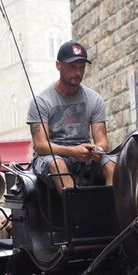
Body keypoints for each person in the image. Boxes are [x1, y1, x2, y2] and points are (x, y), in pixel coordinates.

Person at [27, 41, 115, 195]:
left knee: (112, 165)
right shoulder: (41, 101)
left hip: (84, 156)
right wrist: (73, 151)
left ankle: (110, 207)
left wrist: (97, 150)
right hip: (50, 157)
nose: (78, 72)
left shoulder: (95, 99)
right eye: (72, 67)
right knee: (58, 164)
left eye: (82, 67)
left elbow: (103, 142)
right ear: (58, 65)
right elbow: (40, 146)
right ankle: (79, 208)